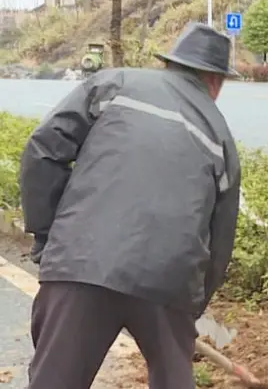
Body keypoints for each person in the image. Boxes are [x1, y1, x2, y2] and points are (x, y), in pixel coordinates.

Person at [20, 23, 242, 389]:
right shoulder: (221, 136)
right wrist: (190, 310)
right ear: (215, 81)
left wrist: (48, 234)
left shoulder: (113, 84)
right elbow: (220, 244)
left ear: (171, 64)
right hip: (168, 279)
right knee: (173, 380)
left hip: (82, 261)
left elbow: (43, 151)